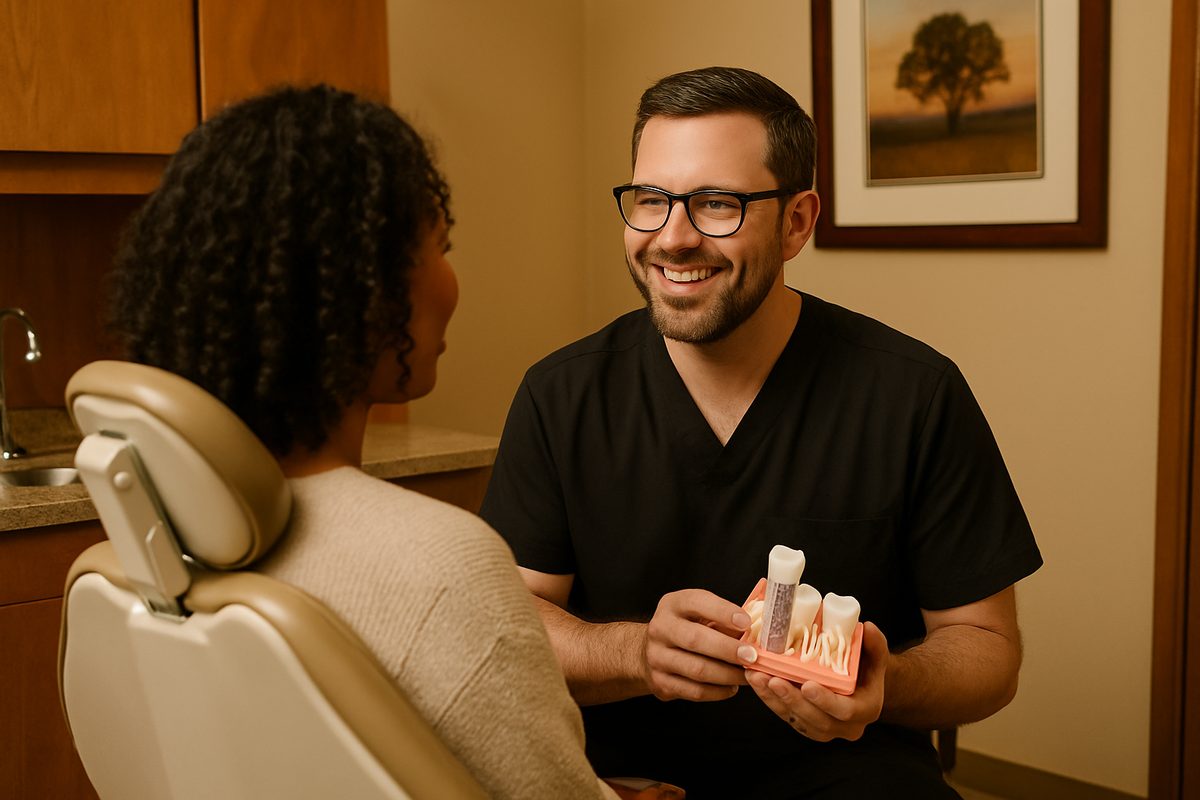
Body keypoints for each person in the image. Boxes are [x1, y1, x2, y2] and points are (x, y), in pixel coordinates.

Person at [480, 66, 1042, 798]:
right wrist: (632, 653)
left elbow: (989, 652)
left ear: (798, 222)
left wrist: (885, 682)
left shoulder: (912, 395)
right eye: (651, 200)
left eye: (717, 204)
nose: (673, 239)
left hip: (851, 775)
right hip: (619, 780)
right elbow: (511, 624)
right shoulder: (562, 395)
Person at [107, 84, 622, 800]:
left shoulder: (136, 554)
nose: (451, 279)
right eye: (438, 248)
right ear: (365, 293)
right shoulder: (444, 564)